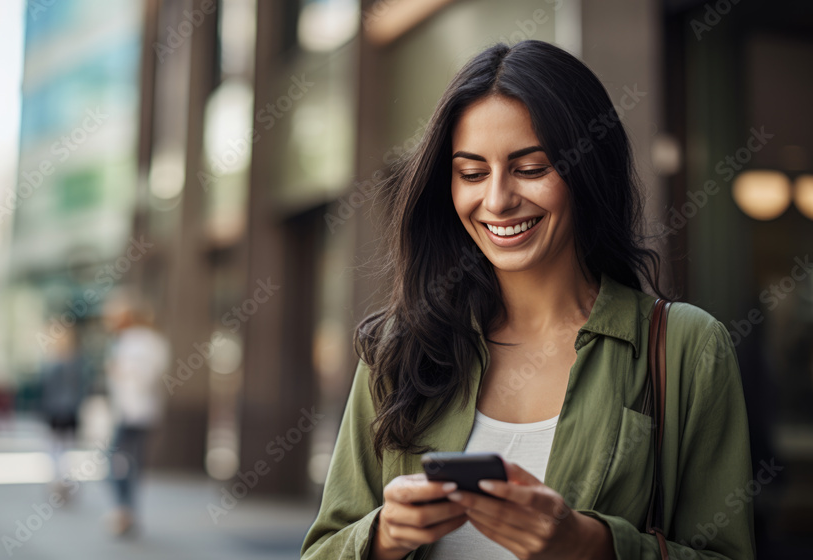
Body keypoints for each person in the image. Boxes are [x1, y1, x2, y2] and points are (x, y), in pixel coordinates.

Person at [301, 40, 754, 560]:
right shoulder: (400, 348)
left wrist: (593, 545)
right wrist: (383, 536)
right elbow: (322, 549)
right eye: (471, 173)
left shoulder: (686, 347)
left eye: (531, 168)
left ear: (587, 169)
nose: (496, 200)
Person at [102, 292, 170, 536]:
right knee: (129, 463)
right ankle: (127, 511)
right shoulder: (130, 340)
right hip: (131, 411)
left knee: (117, 461)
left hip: (137, 412)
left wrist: (122, 370)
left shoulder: (145, 342)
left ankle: (124, 510)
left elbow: (147, 376)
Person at [38, 327, 87, 501]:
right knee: (65, 448)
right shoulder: (78, 363)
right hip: (69, 411)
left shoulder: (57, 363)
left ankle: (60, 481)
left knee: (56, 448)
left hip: (59, 411)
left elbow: (47, 387)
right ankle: (63, 481)